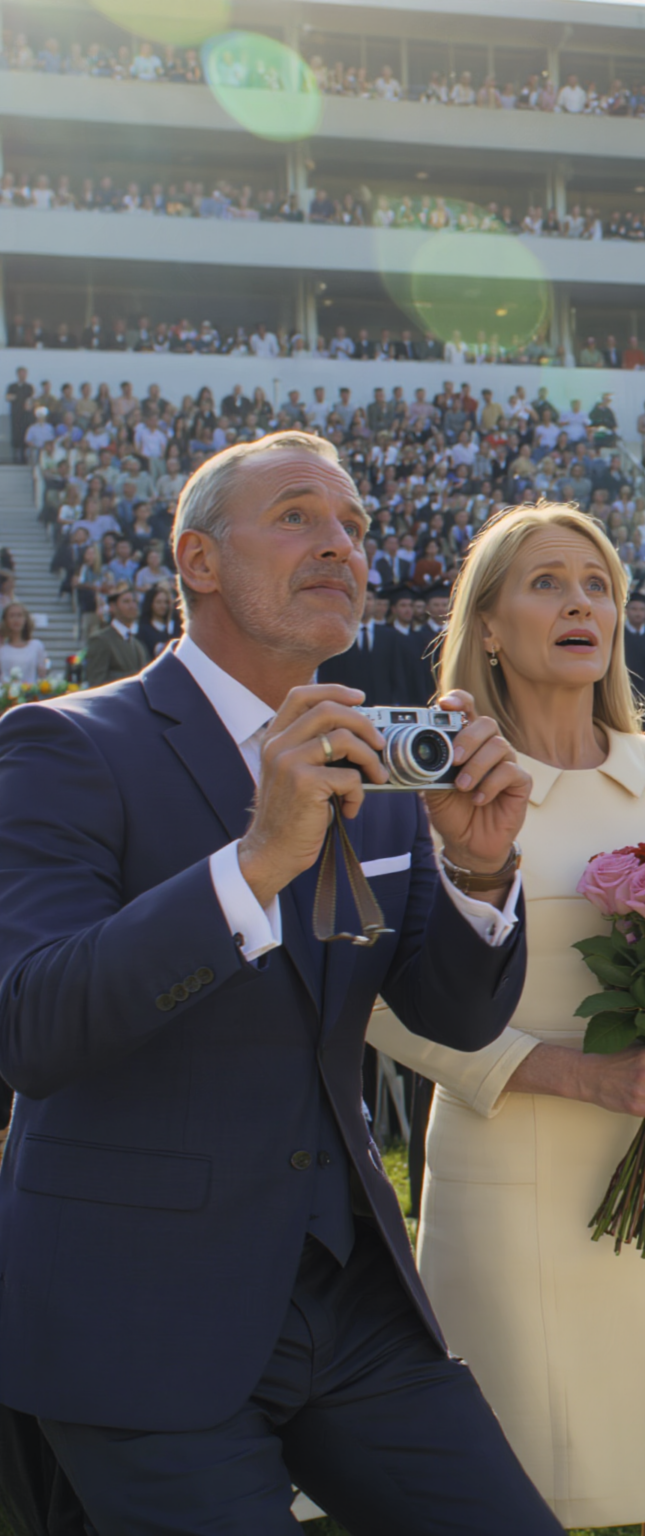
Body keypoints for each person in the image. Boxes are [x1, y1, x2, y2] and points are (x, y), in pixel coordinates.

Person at [0, 432, 557, 1534]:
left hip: (351, 1298)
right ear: (198, 560)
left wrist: (481, 871)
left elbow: (450, 1015)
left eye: (354, 525)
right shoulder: (65, 746)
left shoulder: (379, 764)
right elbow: (31, 1025)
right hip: (136, 1312)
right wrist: (254, 863)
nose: (341, 544)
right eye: (298, 515)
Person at [367, 503, 645, 1532]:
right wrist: (574, 1074)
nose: (580, 603)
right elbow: (373, 1003)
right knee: (517, 1492)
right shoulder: (434, 777)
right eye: (546, 583)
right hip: (513, 1179)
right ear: (488, 626)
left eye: (597, 585)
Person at [82, 585, 149, 688]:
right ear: (112, 607)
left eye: (134, 601)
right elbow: (96, 682)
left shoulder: (137, 644)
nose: (132, 606)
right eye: (126, 602)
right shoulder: (101, 640)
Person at [0, 603, 48, 684]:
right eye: (12, 616)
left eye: (19, 615)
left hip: (30, 690)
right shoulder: (2, 649)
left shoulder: (36, 646)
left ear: (25, 619)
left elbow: (42, 675)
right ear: (6, 620)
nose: (16, 619)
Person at [135, 582, 182, 660]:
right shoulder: (143, 629)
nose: (163, 606)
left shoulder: (175, 627)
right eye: (158, 602)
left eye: (166, 602)